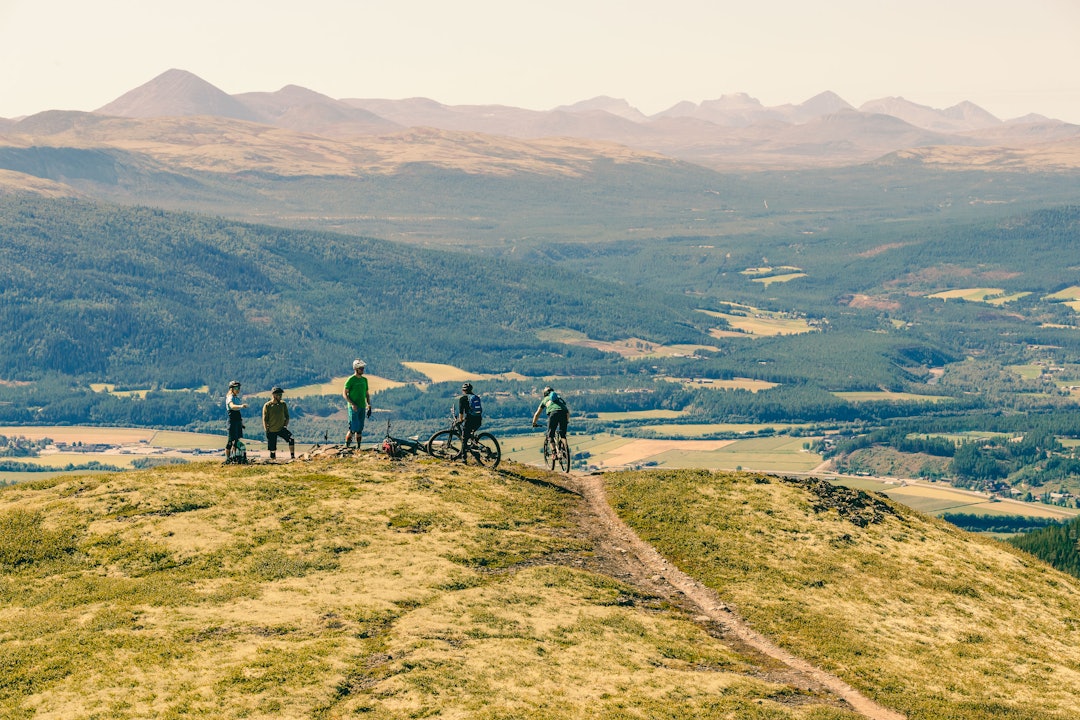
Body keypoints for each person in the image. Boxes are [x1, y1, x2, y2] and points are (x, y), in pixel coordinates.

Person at [343, 359, 372, 448]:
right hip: (353, 407)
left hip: (362, 406)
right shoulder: (351, 380)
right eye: (361, 368)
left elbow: (366, 394)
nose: (363, 370)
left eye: (363, 368)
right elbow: (344, 393)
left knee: (359, 429)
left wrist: (369, 405)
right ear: (356, 369)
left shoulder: (364, 380)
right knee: (352, 428)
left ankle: (358, 447)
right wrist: (352, 404)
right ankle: (347, 446)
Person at [262, 386, 295, 460]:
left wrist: (285, 426)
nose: (280, 396)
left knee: (291, 439)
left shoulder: (283, 404)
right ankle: (273, 461)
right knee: (272, 448)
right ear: (274, 395)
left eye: (281, 395)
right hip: (271, 430)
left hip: (281, 428)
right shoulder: (268, 405)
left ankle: (292, 456)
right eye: (279, 395)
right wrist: (266, 429)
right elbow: (264, 418)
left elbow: (287, 416)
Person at [454, 382, 483, 463]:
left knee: (464, 438)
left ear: (463, 390)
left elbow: (461, 412)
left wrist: (460, 420)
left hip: (470, 420)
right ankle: (475, 449)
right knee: (470, 435)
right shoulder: (476, 397)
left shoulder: (463, 399)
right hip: (478, 420)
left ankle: (464, 458)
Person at [224, 380, 248, 462]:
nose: (238, 390)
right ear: (231, 389)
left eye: (239, 388)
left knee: (236, 441)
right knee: (230, 441)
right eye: (236, 388)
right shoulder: (230, 397)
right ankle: (227, 458)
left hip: (237, 421)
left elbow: (238, 413)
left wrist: (241, 423)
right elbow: (232, 406)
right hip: (232, 421)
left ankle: (234, 457)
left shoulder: (236, 398)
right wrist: (241, 406)